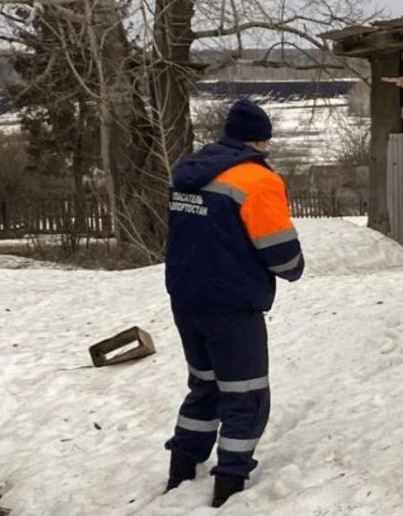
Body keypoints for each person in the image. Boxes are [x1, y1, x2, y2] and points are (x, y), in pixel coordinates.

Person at [163, 98, 305, 508]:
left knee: (204, 384)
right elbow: (280, 252)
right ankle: (229, 483)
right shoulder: (257, 180)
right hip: (231, 303)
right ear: (262, 139)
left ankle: (181, 470)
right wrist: (294, 267)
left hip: (186, 298)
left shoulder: (188, 171)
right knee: (245, 393)